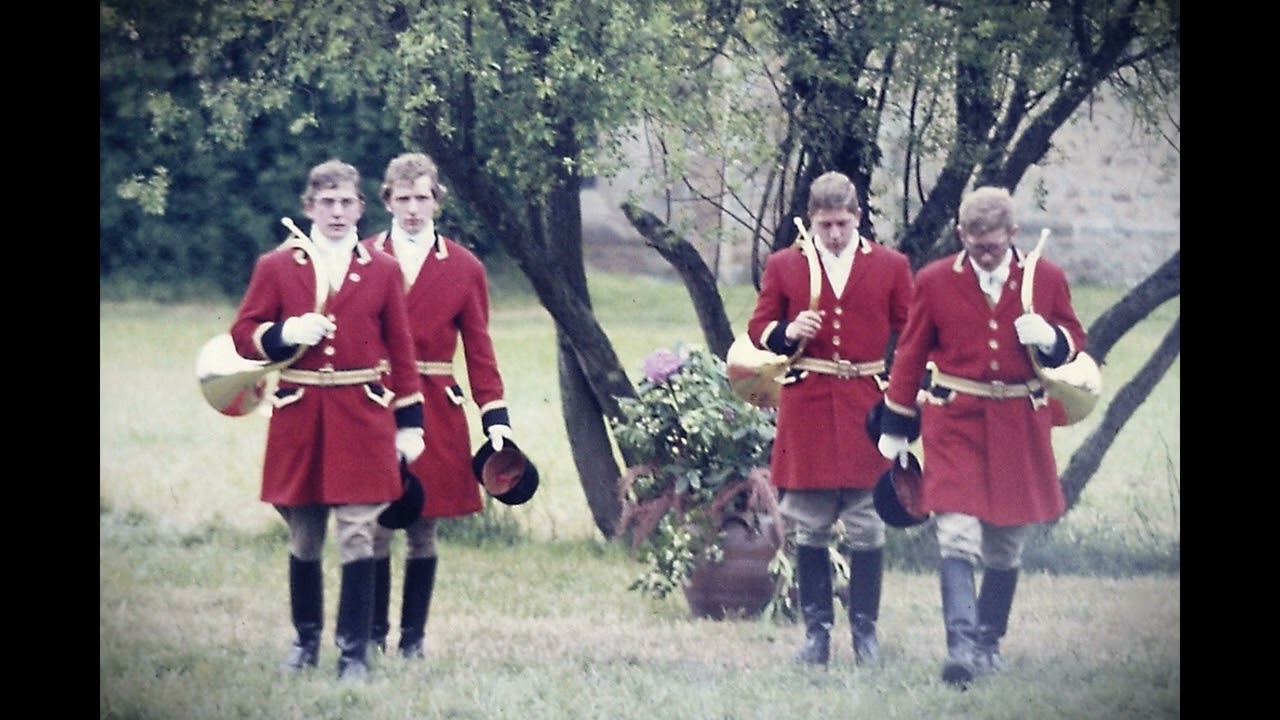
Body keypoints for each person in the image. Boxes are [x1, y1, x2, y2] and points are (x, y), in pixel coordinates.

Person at [875, 185, 1088, 687]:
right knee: (957, 535)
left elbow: (1075, 343)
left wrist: (1051, 339)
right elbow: (910, 354)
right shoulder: (934, 280)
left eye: (992, 246)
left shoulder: (1045, 278)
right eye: (974, 245)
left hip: (1019, 425)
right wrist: (896, 425)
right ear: (960, 234)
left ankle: (990, 641)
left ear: (1012, 233)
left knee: (1006, 544)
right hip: (956, 422)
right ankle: (962, 649)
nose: (984, 255)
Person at [229, 159, 426, 681]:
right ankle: (305, 642)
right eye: (327, 203)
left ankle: (354, 652)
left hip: (363, 418)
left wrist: (411, 423)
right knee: (304, 535)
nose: (337, 213)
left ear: (361, 207)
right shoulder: (277, 265)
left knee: (358, 533)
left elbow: (401, 349)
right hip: (300, 417)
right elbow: (242, 334)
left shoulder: (382, 269)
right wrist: (285, 333)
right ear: (308, 207)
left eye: (346, 203)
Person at [744, 171, 913, 666]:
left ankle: (865, 634)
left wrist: (904, 397)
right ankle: (816, 635)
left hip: (867, 407)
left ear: (857, 217)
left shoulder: (890, 265)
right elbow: (758, 329)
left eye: (842, 223)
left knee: (868, 527)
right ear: (811, 220)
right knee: (809, 528)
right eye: (825, 225)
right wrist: (788, 331)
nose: (834, 234)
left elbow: (912, 332)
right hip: (809, 409)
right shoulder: (785, 264)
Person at [362, 152, 515, 659]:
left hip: (435, 410)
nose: (412, 209)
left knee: (423, 527)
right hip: (376, 402)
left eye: (422, 198)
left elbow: (480, 349)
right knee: (376, 524)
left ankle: (413, 640)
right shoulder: (363, 258)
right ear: (387, 201)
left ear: (437, 202)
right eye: (403, 198)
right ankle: (371, 635)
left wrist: (496, 419)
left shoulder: (465, 266)